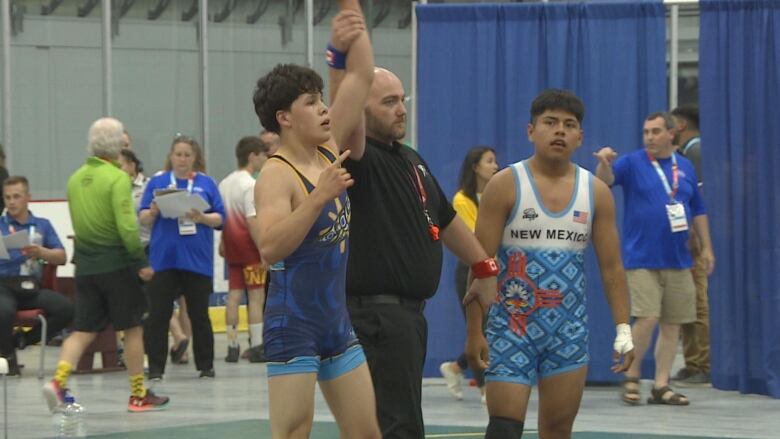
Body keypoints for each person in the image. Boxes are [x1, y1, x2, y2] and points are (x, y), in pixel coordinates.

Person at [329, 64, 496, 436]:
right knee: (397, 427)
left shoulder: (410, 159)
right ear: (362, 109)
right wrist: (342, 60)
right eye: (389, 102)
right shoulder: (358, 159)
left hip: (407, 319)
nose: (401, 109)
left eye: (402, 100)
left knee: (400, 422)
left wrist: (484, 267)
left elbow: (447, 221)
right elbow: (344, 114)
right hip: (376, 317)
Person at [463, 89, 634, 438]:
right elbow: (480, 264)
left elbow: (612, 268)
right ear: (531, 131)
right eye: (550, 123)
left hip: (567, 332)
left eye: (569, 125)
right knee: (504, 428)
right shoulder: (505, 185)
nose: (560, 131)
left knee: (557, 430)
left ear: (580, 137)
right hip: (510, 328)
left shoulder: (595, 191)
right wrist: (474, 332)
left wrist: (623, 330)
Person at [251, 2, 381, 437]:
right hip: (294, 327)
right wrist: (319, 196)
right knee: (293, 433)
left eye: (322, 98)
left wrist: (344, 34)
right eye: (311, 102)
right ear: (285, 118)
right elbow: (269, 247)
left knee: (367, 432)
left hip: (336, 324)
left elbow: (361, 77)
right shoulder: (275, 175)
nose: (325, 108)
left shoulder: (327, 149)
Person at [42, 117, 168, 412]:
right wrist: (140, 261)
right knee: (133, 329)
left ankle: (58, 382)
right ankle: (138, 395)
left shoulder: (74, 179)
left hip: (85, 267)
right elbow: (127, 228)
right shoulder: (117, 179)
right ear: (117, 147)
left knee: (83, 331)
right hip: (117, 267)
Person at [594, 111, 715, 406]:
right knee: (647, 317)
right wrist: (604, 163)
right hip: (642, 259)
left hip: (679, 260)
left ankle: (661, 385)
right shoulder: (633, 163)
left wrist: (707, 248)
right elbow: (604, 182)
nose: (649, 137)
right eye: (646, 131)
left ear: (670, 134)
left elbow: (698, 209)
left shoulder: (684, 166)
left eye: (656, 131)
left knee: (673, 324)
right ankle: (632, 377)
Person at [139, 135, 225, 380]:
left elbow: (220, 217)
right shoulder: (159, 181)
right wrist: (153, 211)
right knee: (158, 314)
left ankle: (206, 365)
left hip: (196, 260)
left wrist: (203, 218)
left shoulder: (206, 183)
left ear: (195, 158)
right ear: (171, 156)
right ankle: (155, 367)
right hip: (164, 258)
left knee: (199, 314)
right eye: (178, 154)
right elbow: (143, 217)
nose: (182, 159)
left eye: (187, 155)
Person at [439, 146, 498, 403]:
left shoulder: (496, 196)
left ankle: (455, 368)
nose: (495, 166)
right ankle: (486, 389)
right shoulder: (462, 199)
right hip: (471, 269)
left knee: (491, 328)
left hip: (495, 268)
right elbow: (476, 237)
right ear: (475, 167)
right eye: (489, 161)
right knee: (480, 328)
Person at [0, 176, 73, 376]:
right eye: (7, 198)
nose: (12, 202)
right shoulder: (1, 224)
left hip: (31, 287)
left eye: (16, 196)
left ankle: (22, 340)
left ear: (27, 198)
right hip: (4, 285)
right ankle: (8, 360)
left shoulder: (42, 224)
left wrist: (42, 252)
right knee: (3, 311)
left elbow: (62, 257)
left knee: (66, 309)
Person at [218, 136, 269, 363]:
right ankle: (257, 345)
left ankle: (232, 345)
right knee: (256, 297)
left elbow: (222, 218)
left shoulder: (225, 183)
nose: (265, 159)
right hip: (249, 250)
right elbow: (252, 221)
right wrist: (263, 250)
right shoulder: (250, 185)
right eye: (262, 155)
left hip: (231, 247)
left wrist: (222, 242)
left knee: (234, 296)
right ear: (252, 157)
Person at [670, 105, 710, 385]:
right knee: (686, 301)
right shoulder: (684, 155)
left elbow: (698, 197)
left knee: (697, 301)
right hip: (680, 238)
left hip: (692, 238)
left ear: (681, 125)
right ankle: (692, 360)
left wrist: (696, 234)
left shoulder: (695, 152)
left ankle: (702, 363)